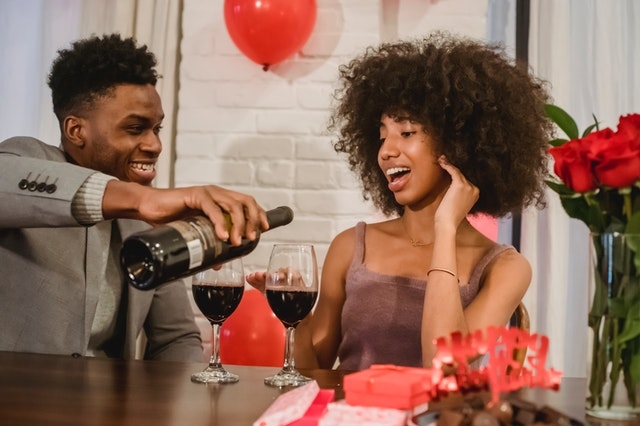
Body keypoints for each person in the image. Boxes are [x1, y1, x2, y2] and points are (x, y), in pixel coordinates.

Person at [248, 31, 553, 370]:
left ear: (457, 144)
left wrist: (445, 229)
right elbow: (311, 372)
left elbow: (444, 369)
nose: (386, 151)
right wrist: (293, 314)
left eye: (407, 133)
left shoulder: (505, 268)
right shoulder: (350, 247)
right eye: (382, 136)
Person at [0, 34, 269, 361]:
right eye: (135, 128)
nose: (154, 145)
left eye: (156, 128)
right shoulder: (28, 159)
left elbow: (176, 339)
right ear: (76, 131)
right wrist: (143, 200)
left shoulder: (145, 223)